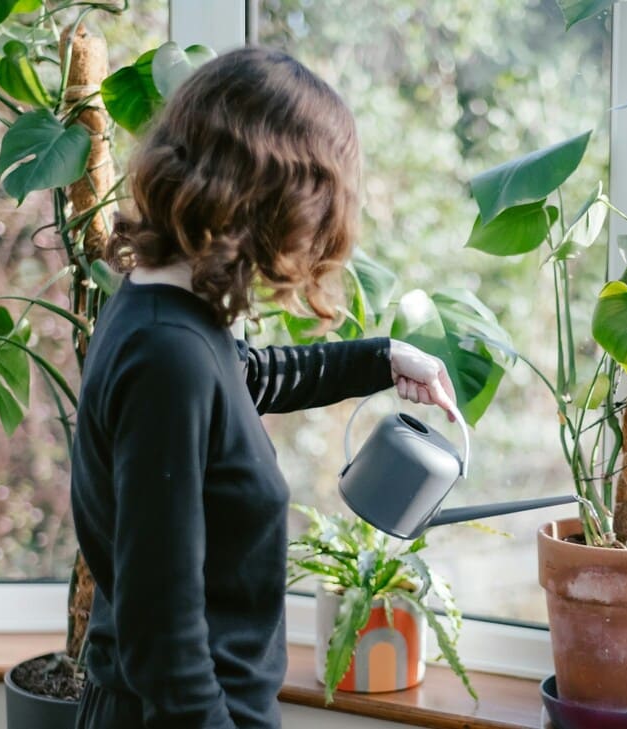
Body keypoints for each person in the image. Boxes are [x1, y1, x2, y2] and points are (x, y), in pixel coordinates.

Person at [70, 47, 456, 729]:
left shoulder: (167, 309)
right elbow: (166, 649)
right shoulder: (168, 358)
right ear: (275, 201)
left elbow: (244, 377)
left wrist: (383, 359)